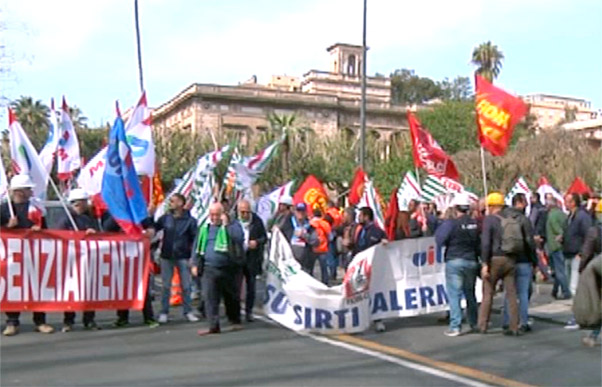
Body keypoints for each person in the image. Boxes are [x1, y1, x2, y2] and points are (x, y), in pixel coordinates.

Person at [1, 175, 54, 336]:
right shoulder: (4, 209)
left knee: (36, 288)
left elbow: (47, 230)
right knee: (13, 288)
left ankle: (40, 321)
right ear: (18, 191)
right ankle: (12, 322)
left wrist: (40, 230)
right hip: (11, 257)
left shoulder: (36, 209)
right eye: (27, 189)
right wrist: (6, 227)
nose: (30, 192)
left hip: (34, 255)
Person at [193, 202, 244, 334]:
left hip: (229, 267)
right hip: (209, 267)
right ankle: (213, 325)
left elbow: (239, 237)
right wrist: (194, 263)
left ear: (223, 214)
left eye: (217, 214)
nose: (214, 217)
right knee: (209, 297)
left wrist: (226, 225)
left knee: (231, 296)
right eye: (212, 215)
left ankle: (234, 320)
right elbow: (197, 246)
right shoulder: (205, 227)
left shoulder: (233, 225)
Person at [102, 211, 159, 328]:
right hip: (121, 257)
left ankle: (149, 317)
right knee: (122, 288)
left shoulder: (138, 212)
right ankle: (122, 317)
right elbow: (106, 228)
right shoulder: (112, 213)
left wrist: (150, 230)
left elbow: (151, 226)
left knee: (143, 288)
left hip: (139, 257)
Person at [435, 193, 480, 337]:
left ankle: (456, 326)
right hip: (472, 261)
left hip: (454, 261)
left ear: (455, 208)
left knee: (455, 294)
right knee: (470, 293)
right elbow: (480, 243)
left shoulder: (450, 223)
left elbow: (439, 240)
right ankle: (474, 323)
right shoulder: (475, 224)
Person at [477, 192, 521, 336]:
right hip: (510, 259)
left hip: (495, 259)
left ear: (491, 206)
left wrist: (484, 264)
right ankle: (514, 325)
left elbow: (485, 243)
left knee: (488, 292)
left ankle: (483, 325)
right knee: (512, 294)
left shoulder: (489, 220)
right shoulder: (510, 218)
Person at [58, 188, 101, 332]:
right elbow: (59, 236)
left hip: (88, 260)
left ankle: (89, 320)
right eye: (77, 203)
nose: (80, 205)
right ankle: (68, 321)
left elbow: (99, 235)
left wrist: (92, 233)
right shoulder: (65, 219)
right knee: (71, 292)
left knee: (89, 291)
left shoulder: (90, 218)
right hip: (71, 261)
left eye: (82, 202)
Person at [154, 193, 199, 324]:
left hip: (183, 256)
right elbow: (154, 229)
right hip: (167, 256)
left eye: (173, 201)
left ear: (181, 203)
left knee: (186, 286)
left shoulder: (190, 221)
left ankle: (188, 311)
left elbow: (195, 240)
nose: (171, 203)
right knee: (166, 286)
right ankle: (164, 312)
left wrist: (193, 257)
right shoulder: (166, 218)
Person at [502, 194, 537, 333]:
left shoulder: (503, 218)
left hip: (508, 258)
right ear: (521, 203)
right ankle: (523, 321)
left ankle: (507, 320)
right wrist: (534, 260)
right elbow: (529, 242)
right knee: (523, 293)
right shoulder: (524, 220)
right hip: (523, 260)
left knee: (509, 292)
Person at [353, 207, 388, 332]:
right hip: (359, 267)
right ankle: (359, 319)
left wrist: (385, 243)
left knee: (374, 292)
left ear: (367, 217)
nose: (358, 218)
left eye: (360, 215)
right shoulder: (359, 230)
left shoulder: (377, 232)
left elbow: (386, 245)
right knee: (358, 293)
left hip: (373, 267)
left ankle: (378, 320)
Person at [562, 193, 593, 329]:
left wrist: (582, 253)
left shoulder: (581, 216)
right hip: (569, 253)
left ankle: (578, 317)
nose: (565, 203)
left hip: (577, 255)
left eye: (567, 201)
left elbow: (589, 235)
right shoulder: (570, 216)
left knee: (576, 288)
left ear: (573, 202)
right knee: (572, 287)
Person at [236, 199, 267, 322]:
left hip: (252, 258)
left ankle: (249, 312)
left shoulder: (257, 221)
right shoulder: (234, 221)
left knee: (251, 286)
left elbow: (264, 238)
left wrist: (257, 242)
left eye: (246, 212)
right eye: (242, 212)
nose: (244, 215)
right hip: (237, 257)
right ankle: (236, 311)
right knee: (236, 286)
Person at [577, 221, 601, 347]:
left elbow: (587, 252)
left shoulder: (595, 230)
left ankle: (593, 336)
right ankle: (593, 336)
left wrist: (582, 268)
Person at [282, 203, 319, 275]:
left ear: (306, 212)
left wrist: (304, 235)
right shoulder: (287, 224)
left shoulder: (310, 226)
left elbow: (316, 242)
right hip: (290, 261)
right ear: (295, 212)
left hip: (305, 262)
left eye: (302, 211)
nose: (300, 213)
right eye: (298, 211)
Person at [546, 195, 570, 299]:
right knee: (558, 269)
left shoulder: (551, 216)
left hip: (555, 246)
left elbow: (557, 229)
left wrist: (561, 235)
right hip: (563, 246)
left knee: (559, 270)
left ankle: (566, 291)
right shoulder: (563, 214)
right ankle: (555, 290)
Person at [309, 208, 332, 285]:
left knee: (310, 267)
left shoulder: (310, 223)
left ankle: (310, 283)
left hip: (312, 248)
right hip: (323, 248)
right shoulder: (325, 224)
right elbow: (331, 237)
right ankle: (325, 283)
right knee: (324, 268)